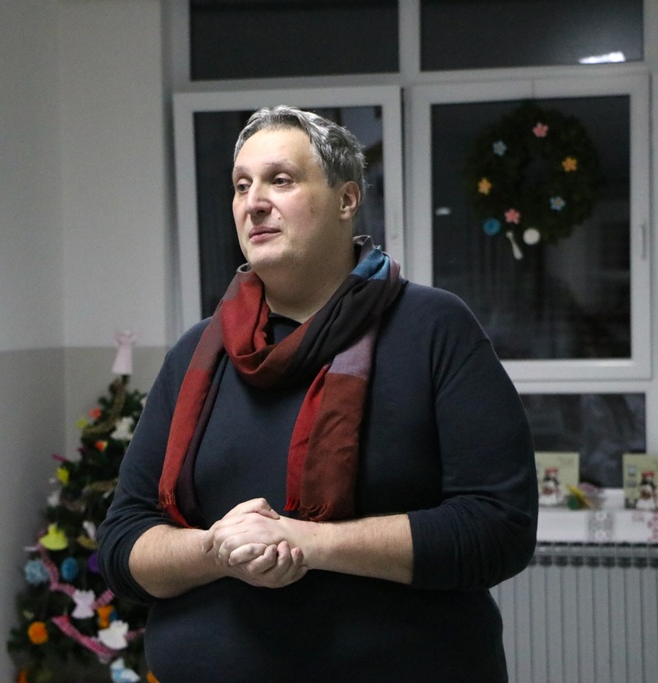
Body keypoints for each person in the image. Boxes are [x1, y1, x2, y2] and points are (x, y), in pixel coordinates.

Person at [98, 105, 537, 682]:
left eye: (280, 180)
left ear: (346, 200)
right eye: (241, 185)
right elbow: (122, 542)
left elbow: (497, 528)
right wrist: (216, 550)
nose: (254, 202)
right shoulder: (198, 353)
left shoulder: (433, 328)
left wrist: (306, 542)